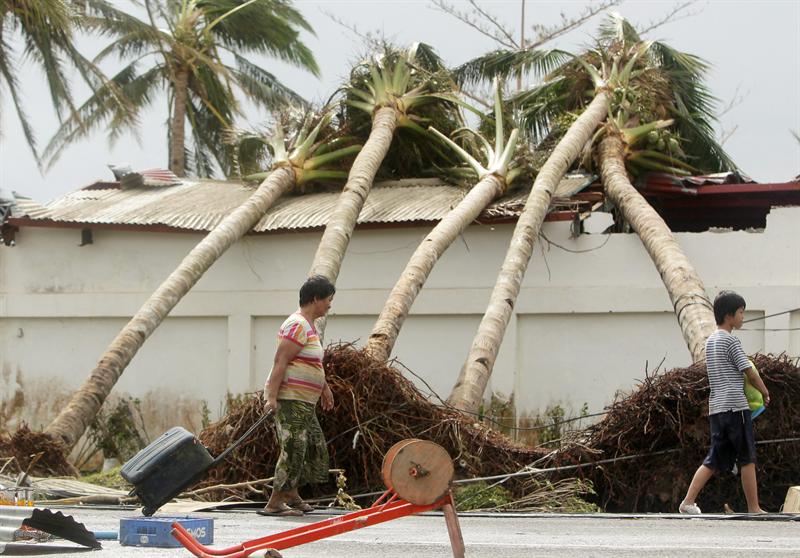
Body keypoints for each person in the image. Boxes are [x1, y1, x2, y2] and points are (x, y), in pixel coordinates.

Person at [679, 291, 770, 515]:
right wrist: (765, 392)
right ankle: (754, 508)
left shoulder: (711, 342)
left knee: (714, 457)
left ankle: (688, 502)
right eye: (741, 312)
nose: (743, 317)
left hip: (717, 408)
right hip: (735, 407)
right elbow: (749, 371)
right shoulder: (730, 340)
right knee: (747, 458)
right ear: (729, 315)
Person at [259, 275, 336, 516]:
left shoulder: (309, 327)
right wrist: (271, 396)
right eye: (328, 299)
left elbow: (312, 363)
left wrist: (324, 388)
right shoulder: (297, 324)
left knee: (311, 446)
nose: (330, 305)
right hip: (291, 398)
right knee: (293, 448)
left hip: (305, 401)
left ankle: (291, 494)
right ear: (315, 299)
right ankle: (274, 502)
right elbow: (280, 361)